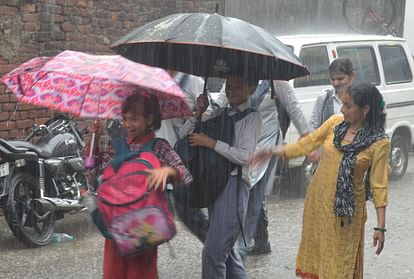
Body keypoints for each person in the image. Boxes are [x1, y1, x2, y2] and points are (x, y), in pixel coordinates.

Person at [250, 81, 389, 279]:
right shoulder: (335, 123)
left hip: (346, 214)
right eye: (342, 103)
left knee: (340, 265)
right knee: (317, 258)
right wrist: (273, 151)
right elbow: (308, 143)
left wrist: (380, 227)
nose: (342, 109)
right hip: (318, 203)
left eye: (348, 106)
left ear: (365, 109)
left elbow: (379, 185)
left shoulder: (379, 142)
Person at [87, 91, 192, 279]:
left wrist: (167, 171)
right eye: (125, 119)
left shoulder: (159, 147)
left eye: (133, 119)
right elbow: (95, 174)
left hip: (145, 225)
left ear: (150, 119)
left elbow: (185, 175)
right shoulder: (116, 146)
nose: (127, 125)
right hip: (116, 224)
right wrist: (93, 143)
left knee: (142, 274)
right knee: (113, 273)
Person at [179, 74, 262, 278]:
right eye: (229, 86)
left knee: (213, 253)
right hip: (216, 183)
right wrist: (198, 111)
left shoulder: (252, 117)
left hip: (234, 187)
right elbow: (185, 135)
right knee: (227, 253)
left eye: (239, 86)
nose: (232, 91)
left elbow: (244, 156)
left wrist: (211, 143)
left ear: (251, 89)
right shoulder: (219, 113)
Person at [238, 80, 311, 255]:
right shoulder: (242, 71)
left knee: (254, 190)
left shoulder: (276, 81)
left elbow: (294, 110)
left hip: (267, 142)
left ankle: (244, 242)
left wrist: (309, 140)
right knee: (247, 189)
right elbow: (225, 101)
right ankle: (261, 240)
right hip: (244, 141)